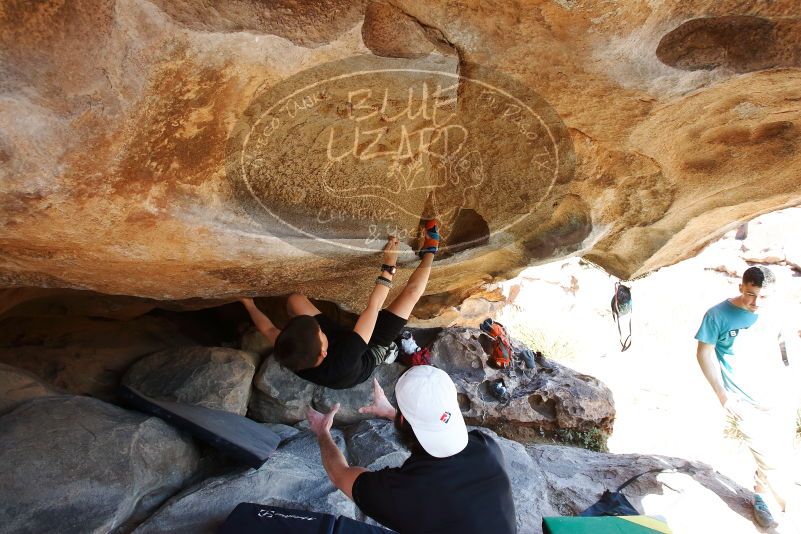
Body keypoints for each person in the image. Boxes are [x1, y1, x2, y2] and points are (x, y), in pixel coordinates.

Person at [306, 366, 517, 534]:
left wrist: (322, 431)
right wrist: (394, 414)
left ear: (402, 421)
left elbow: (339, 474)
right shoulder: (485, 445)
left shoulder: (407, 491)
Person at [240, 220, 441, 389]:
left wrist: (247, 303)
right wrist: (389, 266)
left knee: (295, 300)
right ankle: (431, 251)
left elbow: (268, 329)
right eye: (319, 332)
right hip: (369, 350)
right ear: (323, 352)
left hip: (337, 342)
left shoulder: (290, 354)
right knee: (411, 294)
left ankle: (330, 332)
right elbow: (373, 306)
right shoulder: (346, 359)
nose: (319, 327)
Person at [695, 265, 799, 529]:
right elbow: (704, 354)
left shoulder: (776, 311)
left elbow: (786, 347)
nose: (756, 302)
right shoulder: (717, 315)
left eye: (763, 297)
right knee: (771, 461)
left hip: (779, 395)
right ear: (741, 286)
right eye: (751, 294)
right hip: (743, 400)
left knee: (782, 451)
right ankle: (789, 511)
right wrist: (723, 396)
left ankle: (761, 496)